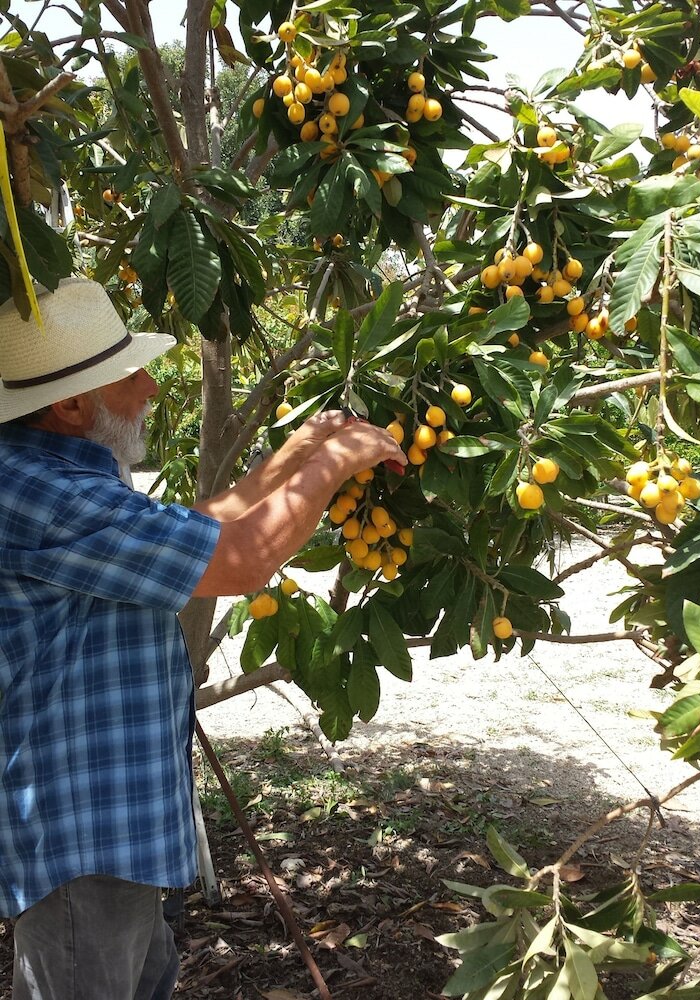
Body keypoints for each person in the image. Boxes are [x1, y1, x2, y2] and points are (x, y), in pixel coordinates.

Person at [0, 277, 406, 999]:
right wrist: (339, 461)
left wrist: (298, 451)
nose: (153, 387)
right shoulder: (42, 495)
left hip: (111, 834)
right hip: (80, 847)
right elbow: (239, 557)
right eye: (133, 375)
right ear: (69, 405)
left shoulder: (54, 475)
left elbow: (202, 528)